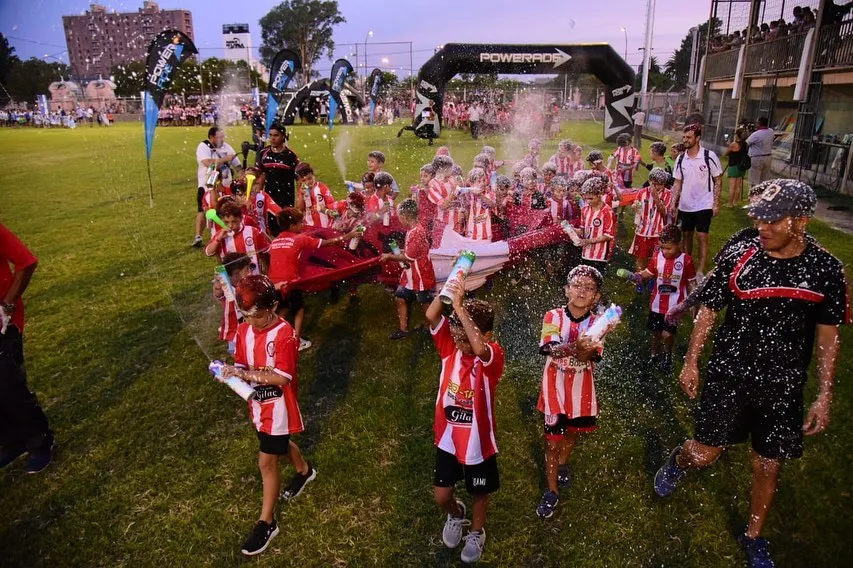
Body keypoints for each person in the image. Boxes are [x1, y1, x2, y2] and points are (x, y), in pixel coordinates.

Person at [654, 179, 849, 568]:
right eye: (758, 219)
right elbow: (708, 309)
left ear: (803, 221)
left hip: (784, 384)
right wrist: (692, 361)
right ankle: (680, 460)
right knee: (705, 454)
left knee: (767, 464)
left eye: (773, 221)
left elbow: (829, 335)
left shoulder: (826, 269)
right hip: (730, 373)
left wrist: (824, 393)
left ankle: (753, 535)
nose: (762, 228)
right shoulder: (742, 253)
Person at [215, 275, 316, 556]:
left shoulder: (285, 334)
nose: (251, 321)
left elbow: (283, 377)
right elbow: (240, 362)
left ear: (272, 307)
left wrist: (244, 374)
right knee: (279, 446)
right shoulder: (244, 329)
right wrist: (230, 375)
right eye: (246, 316)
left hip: (278, 408)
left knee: (266, 462)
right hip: (258, 406)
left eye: (257, 315)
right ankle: (305, 472)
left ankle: (267, 522)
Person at [424, 279, 505, 564]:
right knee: (441, 495)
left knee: (479, 491)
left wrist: (460, 308)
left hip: (478, 443)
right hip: (447, 436)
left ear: (488, 334)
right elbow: (431, 316)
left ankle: (477, 531)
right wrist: (449, 290)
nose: (459, 339)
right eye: (456, 332)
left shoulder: (492, 356)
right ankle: (457, 514)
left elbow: (481, 350)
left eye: (465, 334)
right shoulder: (450, 349)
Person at [535, 265, 606, 519]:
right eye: (576, 285)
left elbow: (589, 355)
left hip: (582, 394)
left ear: (596, 296)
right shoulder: (552, 316)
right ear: (566, 290)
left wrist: (585, 346)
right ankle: (552, 490)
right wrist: (578, 345)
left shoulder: (599, 323)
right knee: (552, 443)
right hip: (554, 392)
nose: (581, 291)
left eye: (589, 288)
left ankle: (563, 463)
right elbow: (552, 350)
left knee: (573, 434)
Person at [0, 223, 54, 474]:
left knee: (10, 385)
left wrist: (7, 305)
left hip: (3, 322)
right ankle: (13, 441)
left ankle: (40, 442)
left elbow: (26, 262)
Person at [267, 208, 357, 351]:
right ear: (292, 227)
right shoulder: (299, 239)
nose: (303, 225)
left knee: (282, 309)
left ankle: (276, 337)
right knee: (299, 309)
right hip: (290, 282)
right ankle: (296, 340)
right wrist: (349, 236)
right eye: (300, 223)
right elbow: (327, 242)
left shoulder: (275, 241)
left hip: (273, 283)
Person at [623, 225, 696, 372]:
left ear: (679, 244)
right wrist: (637, 277)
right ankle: (654, 354)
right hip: (656, 304)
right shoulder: (657, 257)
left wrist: (692, 303)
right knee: (656, 333)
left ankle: (667, 355)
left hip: (675, 306)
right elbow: (648, 273)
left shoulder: (686, 261)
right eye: (662, 248)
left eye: (669, 248)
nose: (665, 252)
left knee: (667, 334)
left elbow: (692, 283)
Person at [671, 123, 723, 279]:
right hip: (685, 205)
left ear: (698, 138)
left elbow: (718, 180)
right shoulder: (681, 158)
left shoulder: (709, 156)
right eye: (684, 137)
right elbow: (677, 182)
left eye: (689, 137)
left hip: (704, 204)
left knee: (702, 237)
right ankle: (688, 267)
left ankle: (700, 270)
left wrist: (716, 203)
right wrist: (674, 202)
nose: (685, 140)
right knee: (686, 236)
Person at [380, 198, 436, 339]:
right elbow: (411, 252)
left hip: (420, 274)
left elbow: (410, 258)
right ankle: (403, 329)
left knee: (424, 302)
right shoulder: (414, 229)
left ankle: (432, 328)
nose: (399, 220)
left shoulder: (415, 232)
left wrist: (390, 256)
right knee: (400, 296)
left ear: (405, 217)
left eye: (399, 217)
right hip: (412, 273)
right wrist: (400, 251)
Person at [193, 126, 242, 247]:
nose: (222, 139)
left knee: (227, 209)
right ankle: (198, 236)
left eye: (223, 137)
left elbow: (238, 166)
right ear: (211, 137)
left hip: (226, 185)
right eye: (219, 137)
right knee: (203, 210)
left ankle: (229, 230)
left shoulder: (227, 147)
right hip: (207, 185)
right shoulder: (204, 146)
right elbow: (207, 163)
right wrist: (225, 159)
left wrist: (242, 178)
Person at [204, 196, 271, 272]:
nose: (230, 225)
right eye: (226, 222)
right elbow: (208, 253)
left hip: (253, 275)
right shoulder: (220, 235)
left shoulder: (252, 232)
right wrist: (218, 239)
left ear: (241, 218)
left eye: (234, 221)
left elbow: (268, 250)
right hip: (232, 281)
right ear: (222, 220)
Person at [255, 123, 299, 234]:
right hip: (269, 197)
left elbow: (299, 180)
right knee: (271, 228)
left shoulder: (291, 155)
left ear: (283, 136)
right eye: (270, 135)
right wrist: (257, 194)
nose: (272, 138)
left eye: (276, 135)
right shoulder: (263, 153)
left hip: (286, 197)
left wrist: (299, 200)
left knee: (286, 228)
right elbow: (261, 175)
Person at [629, 167, 673, 273]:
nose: (657, 187)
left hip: (658, 233)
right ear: (649, 181)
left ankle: (653, 279)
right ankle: (639, 277)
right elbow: (637, 209)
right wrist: (635, 207)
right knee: (641, 257)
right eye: (654, 184)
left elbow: (663, 213)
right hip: (642, 231)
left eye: (660, 184)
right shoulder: (642, 193)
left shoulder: (668, 194)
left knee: (657, 258)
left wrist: (656, 197)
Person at [578, 177, 616, 276]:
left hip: (600, 254)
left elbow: (608, 235)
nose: (588, 201)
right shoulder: (584, 209)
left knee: (596, 279)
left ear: (600, 195)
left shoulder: (607, 211)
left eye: (591, 198)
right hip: (586, 253)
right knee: (585, 277)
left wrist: (588, 241)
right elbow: (583, 231)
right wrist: (571, 230)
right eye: (585, 198)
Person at [295, 163, 337, 228]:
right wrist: (302, 195)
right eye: (303, 180)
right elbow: (300, 208)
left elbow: (331, 204)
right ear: (299, 181)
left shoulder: (321, 188)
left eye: (309, 178)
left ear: (313, 176)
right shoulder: (302, 190)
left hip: (325, 224)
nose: (307, 182)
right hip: (309, 225)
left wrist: (329, 211)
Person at [746, 117, 775, 187]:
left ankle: (753, 195)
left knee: (754, 180)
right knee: (764, 181)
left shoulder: (756, 134)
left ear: (759, 123)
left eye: (757, 123)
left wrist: (748, 132)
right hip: (768, 157)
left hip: (757, 157)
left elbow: (747, 143)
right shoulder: (771, 131)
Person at [724, 128, 749, 207]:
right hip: (742, 167)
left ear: (737, 135)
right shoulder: (745, 144)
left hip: (734, 166)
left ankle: (730, 203)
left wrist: (729, 145)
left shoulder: (734, 144)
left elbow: (725, 153)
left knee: (732, 187)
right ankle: (735, 202)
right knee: (738, 186)